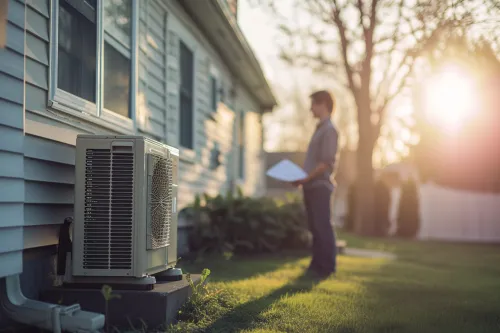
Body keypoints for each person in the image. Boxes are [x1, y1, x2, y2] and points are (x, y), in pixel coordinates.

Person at [292, 90, 339, 279]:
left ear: (323, 104)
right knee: (314, 226)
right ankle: (317, 264)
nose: (311, 108)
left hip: (320, 186)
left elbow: (326, 162)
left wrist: (306, 178)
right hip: (311, 186)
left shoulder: (329, 130)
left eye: (313, 104)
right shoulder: (319, 129)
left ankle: (327, 266)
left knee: (322, 225)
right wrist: (302, 178)